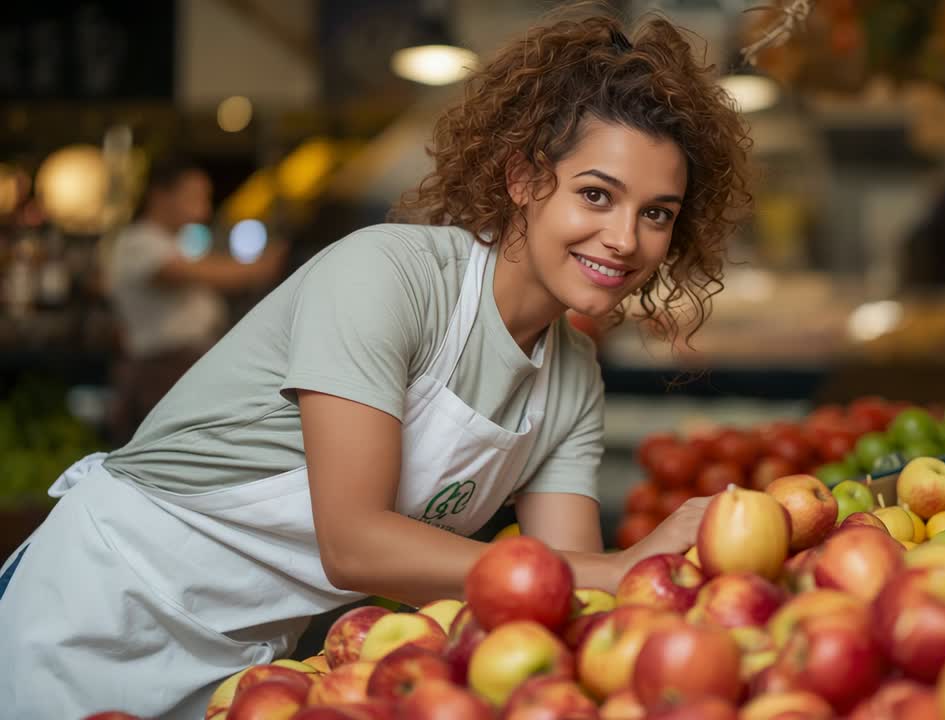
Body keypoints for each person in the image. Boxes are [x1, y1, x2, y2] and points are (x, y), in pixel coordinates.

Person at [0, 13, 751, 719]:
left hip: (247, 667)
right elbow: (353, 543)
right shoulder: (387, 277)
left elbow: (558, 590)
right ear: (523, 180)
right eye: (596, 194)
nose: (624, 239)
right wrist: (625, 565)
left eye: (657, 212)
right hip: (98, 613)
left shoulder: (570, 379)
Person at [104, 156, 287, 444]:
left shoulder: (171, 242)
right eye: (193, 196)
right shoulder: (138, 241)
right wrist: (260, 267)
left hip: (184, 367)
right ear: (161, 195)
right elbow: (195, 273)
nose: (202, 206)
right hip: (163, 371)